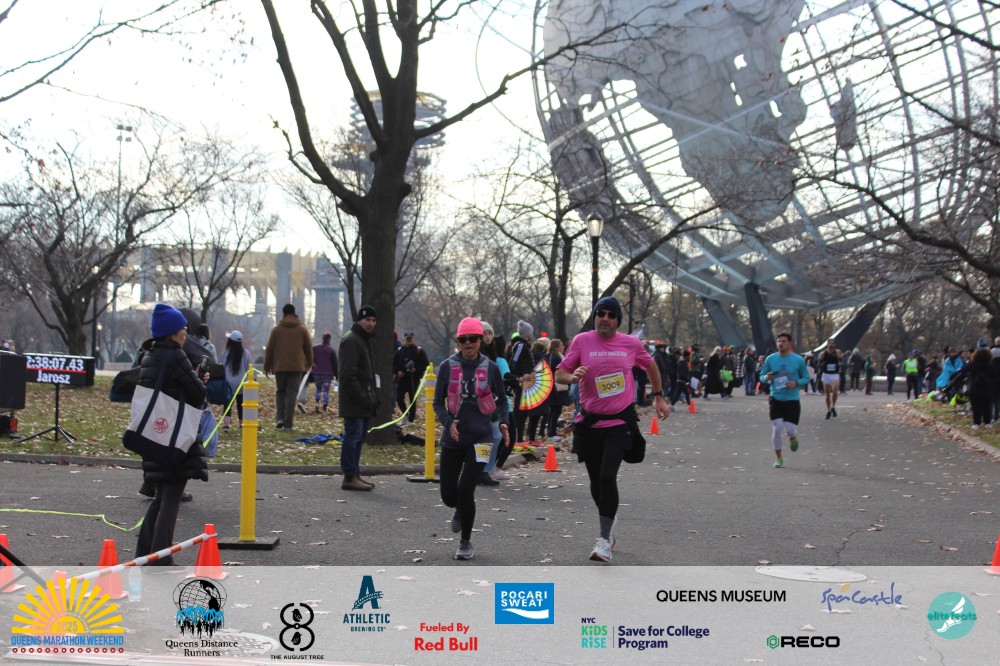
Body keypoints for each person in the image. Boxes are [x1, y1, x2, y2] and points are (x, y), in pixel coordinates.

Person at [555, 296, 669, 563]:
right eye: (600, 313)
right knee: (596, 482)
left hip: (619, 422)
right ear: (595, 316)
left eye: (611, 315)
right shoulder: (582, 341)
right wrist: (572, 377)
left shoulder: (630, 344)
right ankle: (608, 521)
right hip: (590, 422)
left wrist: (659, 396)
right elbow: (560, 373)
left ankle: (604, 540)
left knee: (607, 476)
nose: (604, 318)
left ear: (618, 320)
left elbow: (650, 365)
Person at [135, 303, 209, 568]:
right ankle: (161, 557)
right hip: (175, 436)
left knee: (160, 497)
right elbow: (197, 394)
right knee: (171, 498)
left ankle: (145, 552)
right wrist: (200, 380)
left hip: (156, 433)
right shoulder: (176, 356)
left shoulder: (150, 356)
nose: (186, 333)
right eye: (183, 328)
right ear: (172, 332)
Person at [433, 318, 510, 560]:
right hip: (453, 438)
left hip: (482, 438)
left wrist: (504, 422)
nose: (468, 343)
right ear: (458, 341)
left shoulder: (491, 368)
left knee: (467, 489)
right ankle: (458, 508)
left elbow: (503, 401)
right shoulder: (447, 366)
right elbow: (437, 403)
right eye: (463, 339)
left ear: (480, 340)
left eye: (473, 338)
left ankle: (465, 542)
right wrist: (448, 422)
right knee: (449, 495)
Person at [338, 305, 379, 491]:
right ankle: (349, 476)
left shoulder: (362, 340)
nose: (371, 323)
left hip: (361, 400)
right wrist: (363, 397)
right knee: (353, 436)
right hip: (354, 401)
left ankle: (355, 474)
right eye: (367, 320)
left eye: (373, 320)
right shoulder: (352, 340)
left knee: (358, 437)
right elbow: (348, 375)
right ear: (359, 320)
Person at [760, 332, 810, 468]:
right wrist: (766, 377)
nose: (781, 343)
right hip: (776, 398)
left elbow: (806, 377)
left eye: (783, 341)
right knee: (777, 428)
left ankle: (792, 437)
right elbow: (762, 376)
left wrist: (796, 382)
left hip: (792, 399)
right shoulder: (770, 359)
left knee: (790, 430)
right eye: (779, 341)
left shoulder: (798, 360)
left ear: (789, 343)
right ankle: (779, 458)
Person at [264, 303, 314, 432]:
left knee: (281, 391)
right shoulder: (302, 329)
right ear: (294, 312)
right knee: (292, 393)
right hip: (297, 366)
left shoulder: (276, 329)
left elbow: (270, 349)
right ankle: (288, 424)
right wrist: (310, 363)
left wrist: (267, 366)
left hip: (279, 366)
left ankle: (279, 418)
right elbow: (308, 348)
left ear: (283, 313)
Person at [507, 320, 535, 447]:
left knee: (524, 412)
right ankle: (515, 438)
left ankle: (519, 438)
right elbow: (513, 363)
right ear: (527, 334)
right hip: (521, 383)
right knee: (519, 411)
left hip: (526, 383)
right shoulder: (520, 346)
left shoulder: (525, 346)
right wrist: (519, 377)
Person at [393, 331, 430, 422]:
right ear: (404, 339)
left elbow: (426, 364)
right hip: (402, 379)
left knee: (412, 399)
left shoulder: (419, 351)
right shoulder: (400, 350)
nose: (409, 340)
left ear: (413, 339)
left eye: (410, 338)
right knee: (399, 398)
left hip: (414, 378)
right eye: (407, 338)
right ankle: (406, 415)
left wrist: (416, 369)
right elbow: (393, 363)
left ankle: (410, 420)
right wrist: (398, 371)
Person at [220, 331, 253, 432]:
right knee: (241, 405)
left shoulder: (226, 353)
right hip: (242, 383)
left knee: (228, 405)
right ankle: (242, 424)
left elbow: (221, 366)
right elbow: (250, 368)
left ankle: (226, 425)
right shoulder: (246, 353)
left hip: (229, 383)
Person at [312, 332, 339, 413]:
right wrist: (337, 375)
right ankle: (324, 407)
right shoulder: (332, 350)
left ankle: (317, 403)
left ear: (322, 338)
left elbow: (311, 359)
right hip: (328, 374)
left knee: (318, 389)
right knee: (326, 390)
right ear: (329, 339)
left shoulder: (315, 348)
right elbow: (335, 364)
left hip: (317, 372)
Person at [967, 347, 994, 429]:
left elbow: (963, 370)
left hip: (974, 389)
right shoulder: (990, 365)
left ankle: (976, 423)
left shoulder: (972, 364)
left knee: (976, 407)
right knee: (987, 406)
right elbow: (994, 375)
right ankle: (987, 422)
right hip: (987, 389)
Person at [818, 338, 842, 419]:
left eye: (832, 343)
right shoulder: (823, 353)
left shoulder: (838, 352)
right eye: (829, 343)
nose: (831, 344)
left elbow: (840, 358)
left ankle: (833, 407)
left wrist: (838, 355)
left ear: (835, 344)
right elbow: (819, 361)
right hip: (826, 374)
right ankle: (828, 410)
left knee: (835, 391)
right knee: (827, 395)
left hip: (835, 374)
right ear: (827, 344)